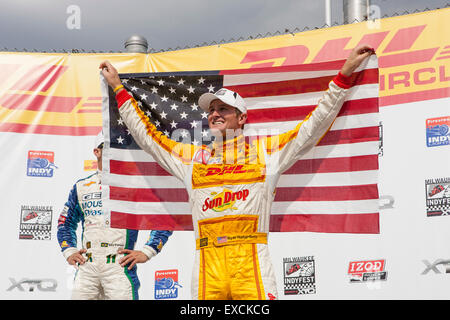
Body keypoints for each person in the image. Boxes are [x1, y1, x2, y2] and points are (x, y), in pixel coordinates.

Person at [99, 44, 374, 300]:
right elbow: (148, 137)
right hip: (208, 262)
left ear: (241, 118)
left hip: (252, 259)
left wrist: (344, 76)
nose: (214, 114)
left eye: (223, 109)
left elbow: (312, 127)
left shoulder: (267, 153)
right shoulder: (193, 158)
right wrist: (119, 89)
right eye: (211, 110)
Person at [57, 132, 173, 300]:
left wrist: (148, 251)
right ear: (97, 151)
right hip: (87, 266)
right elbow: (64, 223)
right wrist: (69, 250)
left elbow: (165, 218)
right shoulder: (81, 186)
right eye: (110, 147)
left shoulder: (136, 186)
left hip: (119, 266)